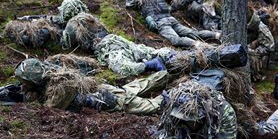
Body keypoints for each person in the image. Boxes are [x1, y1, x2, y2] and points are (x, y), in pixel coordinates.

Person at [14, 57, 167, 115]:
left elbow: (49, 109)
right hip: (104, 89)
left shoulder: (60, 88)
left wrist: (29, 97)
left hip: (113, 100)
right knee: (138, 85)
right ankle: (165, 73)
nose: (23, 84)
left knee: (153, 106)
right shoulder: (52, 72)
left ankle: (176, 95)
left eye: (25, 82)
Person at [112, 0, 221, 48]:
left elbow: (129, 6)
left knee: (176, 40)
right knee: (193, 33)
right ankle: (217, 35)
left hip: (161, 22)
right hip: (171, 19)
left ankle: (199, 45)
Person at [156, 79, 237, 139]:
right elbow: (160, 137)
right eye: (183, 119)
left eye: (192, 119)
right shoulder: (172, 106)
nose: (188, 122)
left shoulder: (224, 111)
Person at [94, 34, 248, 78]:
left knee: (195, 62)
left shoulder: (110, 48)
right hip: (166, 55)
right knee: (197, 62)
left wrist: (149, 64)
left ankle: (229, 55)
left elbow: (122, 67)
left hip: (166, 59)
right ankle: (230, 56)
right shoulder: (115, 41)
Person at [3, 0, 89, 48]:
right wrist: (27, 18)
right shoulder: (81, 22)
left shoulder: (74, 30)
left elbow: (27, 39)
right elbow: (52, 18)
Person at [247, 9, 275, 81]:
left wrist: (252, 51)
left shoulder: (261, 28)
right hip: (258, 45)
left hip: (264, 50)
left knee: (247, 55)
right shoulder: (252, 23)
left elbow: (270, 47)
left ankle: (256, 75)